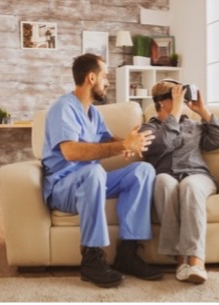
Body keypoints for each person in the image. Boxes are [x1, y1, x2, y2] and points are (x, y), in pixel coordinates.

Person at [41, 53, 163, 288]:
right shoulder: (63, 108)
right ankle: (92, 258)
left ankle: (127, 253)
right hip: (63, 187)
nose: (107, 82)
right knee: (94, 172)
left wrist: (131, 143)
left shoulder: (94, 114)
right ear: (91, 77)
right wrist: (121, 146)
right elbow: (70, 152)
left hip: (92, 183)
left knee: (143, 171)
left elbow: (109, 140)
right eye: (105, 76)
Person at [140, 80, 219, 284]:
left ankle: (196, 262)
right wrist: (175, 113)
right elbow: (163, 143)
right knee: (162, 181)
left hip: (197, 175)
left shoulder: (194, 125)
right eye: (176, 96)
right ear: (161, 102)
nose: (181, 100)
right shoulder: (149, 128)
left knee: (190, 186)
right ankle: (180, 261)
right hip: (166, 175)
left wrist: (203, 111)